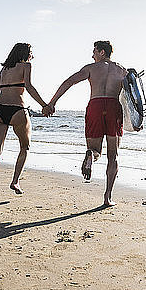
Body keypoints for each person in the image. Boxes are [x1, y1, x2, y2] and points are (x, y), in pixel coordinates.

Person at [47, 40, 127, 207]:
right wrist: (137, 121)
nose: (92, 55)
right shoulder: (122, 71)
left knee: (96, 150)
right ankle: (107, 197)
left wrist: (52, 102)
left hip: (95, 106)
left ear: (102, 52)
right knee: (113, 156)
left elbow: (69, 81)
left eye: (94, 51)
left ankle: (91, 155)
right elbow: (134, 98)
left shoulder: (91, 68)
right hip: (114, 108)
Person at [0, 43, 51, 210]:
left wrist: (8, 87)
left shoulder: (3, 70)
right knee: (25, 147)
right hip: (17, 109)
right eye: (31, 53)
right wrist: (44, 105)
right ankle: (15, 181)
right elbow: (30, 87)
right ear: (25, 54)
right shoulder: (26, 65)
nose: (32, 56)